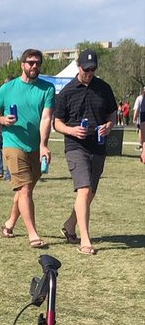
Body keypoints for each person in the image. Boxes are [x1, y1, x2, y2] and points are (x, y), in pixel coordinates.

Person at [53, 48, 118, 255]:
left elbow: (112, 114)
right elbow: (57, 123)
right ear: (78, 67)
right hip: (75, 146)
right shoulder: (67, 92)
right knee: (84, 188)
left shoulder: (104, 88)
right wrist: (71, 130)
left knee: (90, 192)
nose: (89, 73)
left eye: (93, 69)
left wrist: (109, 125)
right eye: (86, 69)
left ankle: (70, 225)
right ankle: (86, 240)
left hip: (98, 146)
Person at [0, 48, 54, 248]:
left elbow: (46, 118)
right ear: (22, 65)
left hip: (35, 147)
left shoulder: (47, 89)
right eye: (30, 62)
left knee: (24, 190)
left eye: (37, 63)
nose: (34, 66)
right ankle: (33, 234)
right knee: (25, 189)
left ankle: (9, 224)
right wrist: (2, 120)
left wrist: (43, 145)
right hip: (13, 144)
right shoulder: (7, 89)